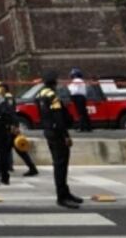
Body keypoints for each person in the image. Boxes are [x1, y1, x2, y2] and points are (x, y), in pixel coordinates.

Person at [37, 71, 82, 209]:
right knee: (61, 164)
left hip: (48, 130)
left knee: (59, 163)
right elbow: (58, 117)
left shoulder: (40, 94)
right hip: (57, 133)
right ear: (54, 83)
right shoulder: (52, 96)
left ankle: (65, 192)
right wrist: (66, 135)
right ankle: (62, 196)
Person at [0, 82, 38, 177]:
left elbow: (11, 113)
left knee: (11, 149)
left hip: (10, 127)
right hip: (9, 126)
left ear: (4, 88)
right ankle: (32, 168)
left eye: (0, 87)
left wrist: (13, 125)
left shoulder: (8, 98)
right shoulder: (4, 97)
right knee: (13, 149)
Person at [68, 68, 92, 132]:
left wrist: (69, 88)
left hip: (78, 97)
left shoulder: (77, 80)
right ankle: (88, 127)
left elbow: (72, 89)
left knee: (81, 113)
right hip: (81, 97)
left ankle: (82, 127)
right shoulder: (80, 81)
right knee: (83, 112)